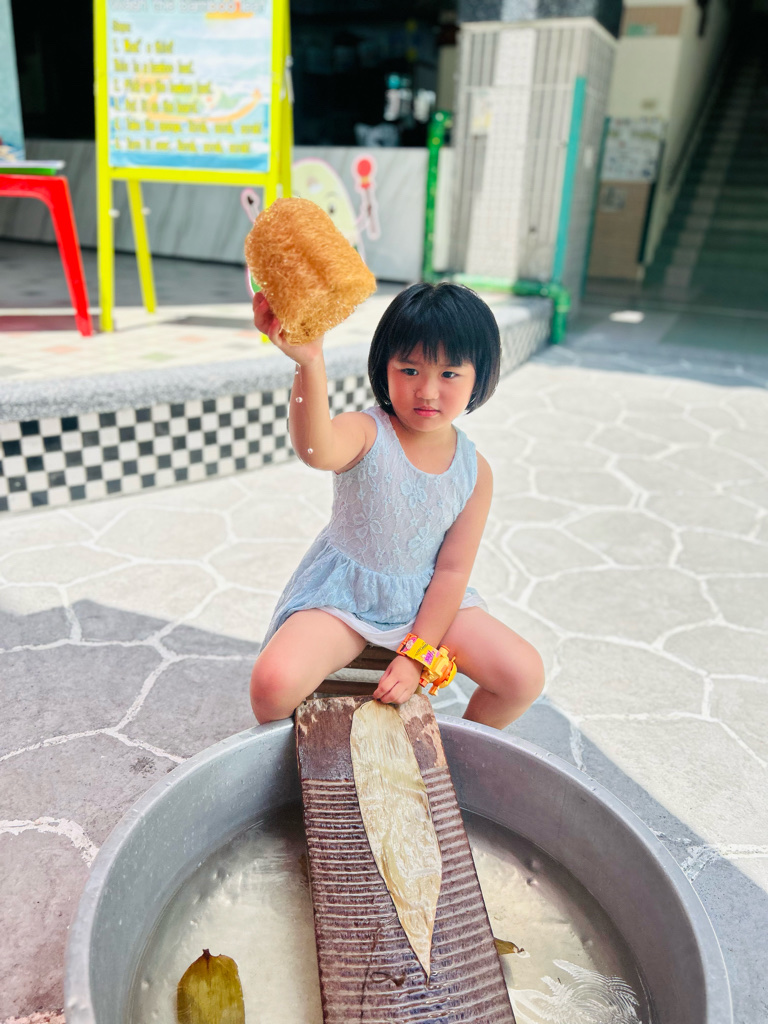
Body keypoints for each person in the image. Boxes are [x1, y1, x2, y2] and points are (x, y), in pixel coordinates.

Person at [250, 281, 544, 729]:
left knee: (523, 676)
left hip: (426, 599)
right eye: (409, 370)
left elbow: (452, 572)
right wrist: (309, 362)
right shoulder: (367, 432)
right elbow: (316, 450)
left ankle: (459, 753)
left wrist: (416, 656)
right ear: (383, 366)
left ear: (479, 376)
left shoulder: (474, 471)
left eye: (449, 374)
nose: (427, 391)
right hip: (346, 599)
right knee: (272, 683)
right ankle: (293, 756)